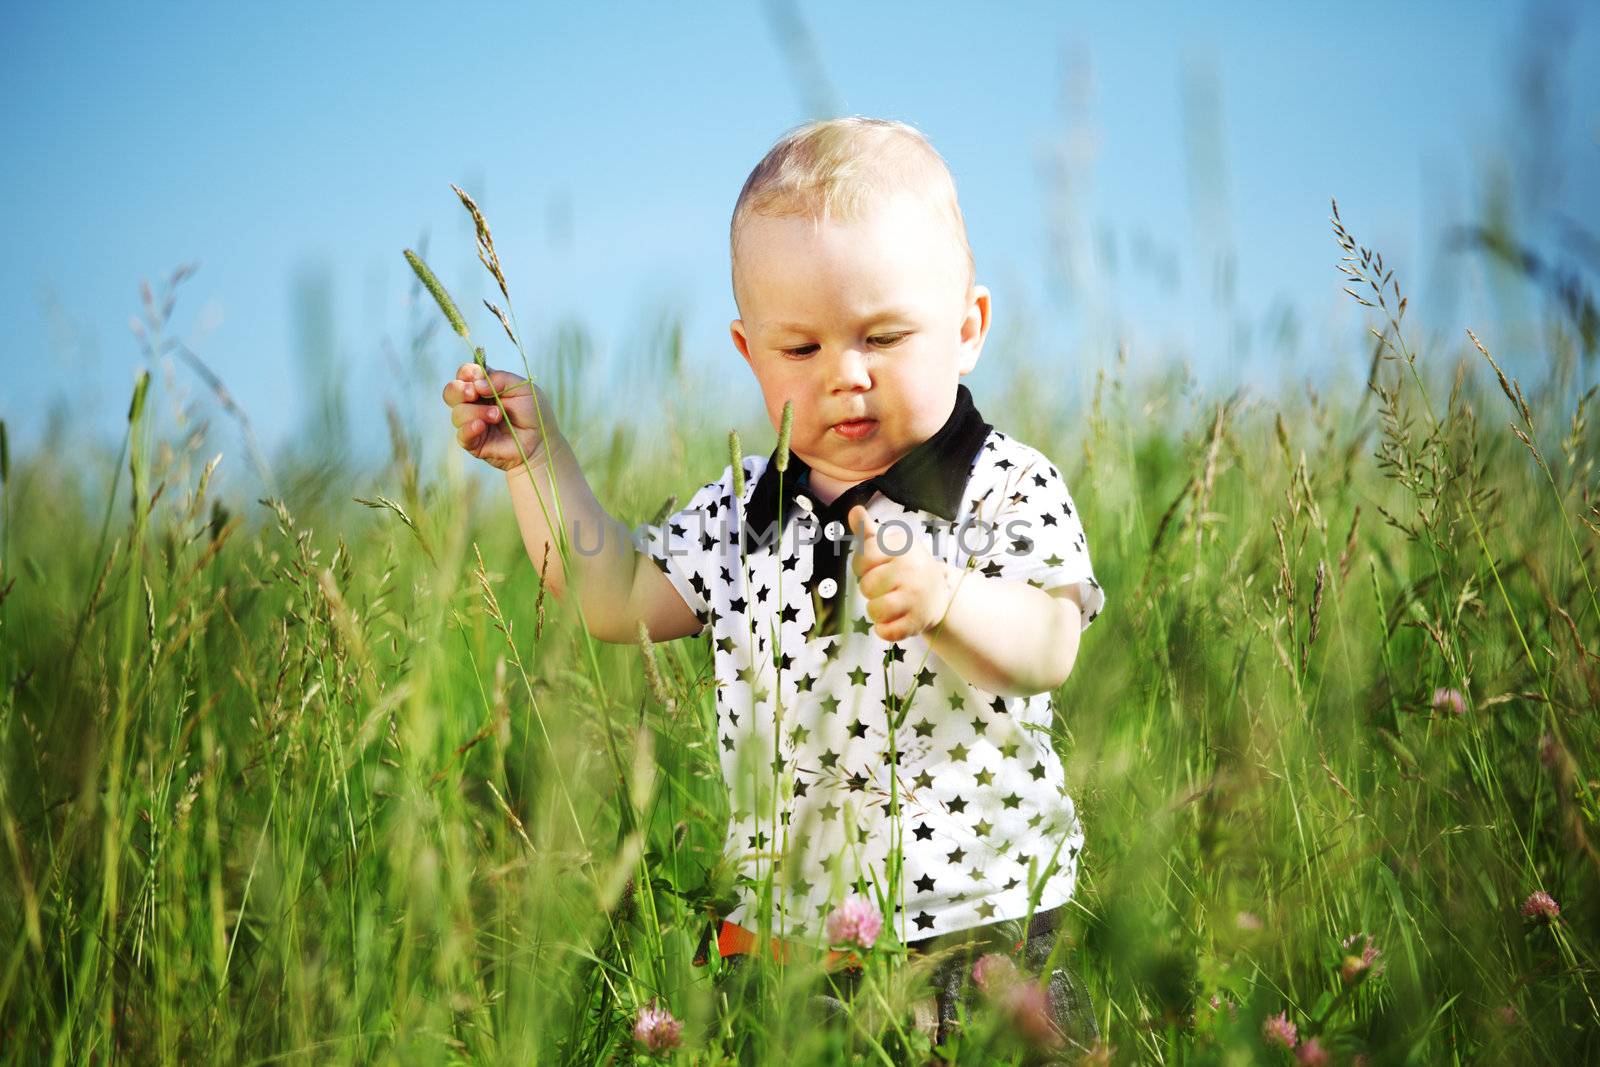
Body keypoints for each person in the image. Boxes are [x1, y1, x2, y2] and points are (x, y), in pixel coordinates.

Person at [440, 117, 1105, 1055]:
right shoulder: (746, 509)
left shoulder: (1005, 486)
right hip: (789, 952)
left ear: (967, 329)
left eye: (883, 335)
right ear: (750, 354)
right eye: (802, 350)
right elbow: (616, 594)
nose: (847, 377)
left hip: (983, 940)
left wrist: (951, 598)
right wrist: (538, 465)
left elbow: (1050, 646)